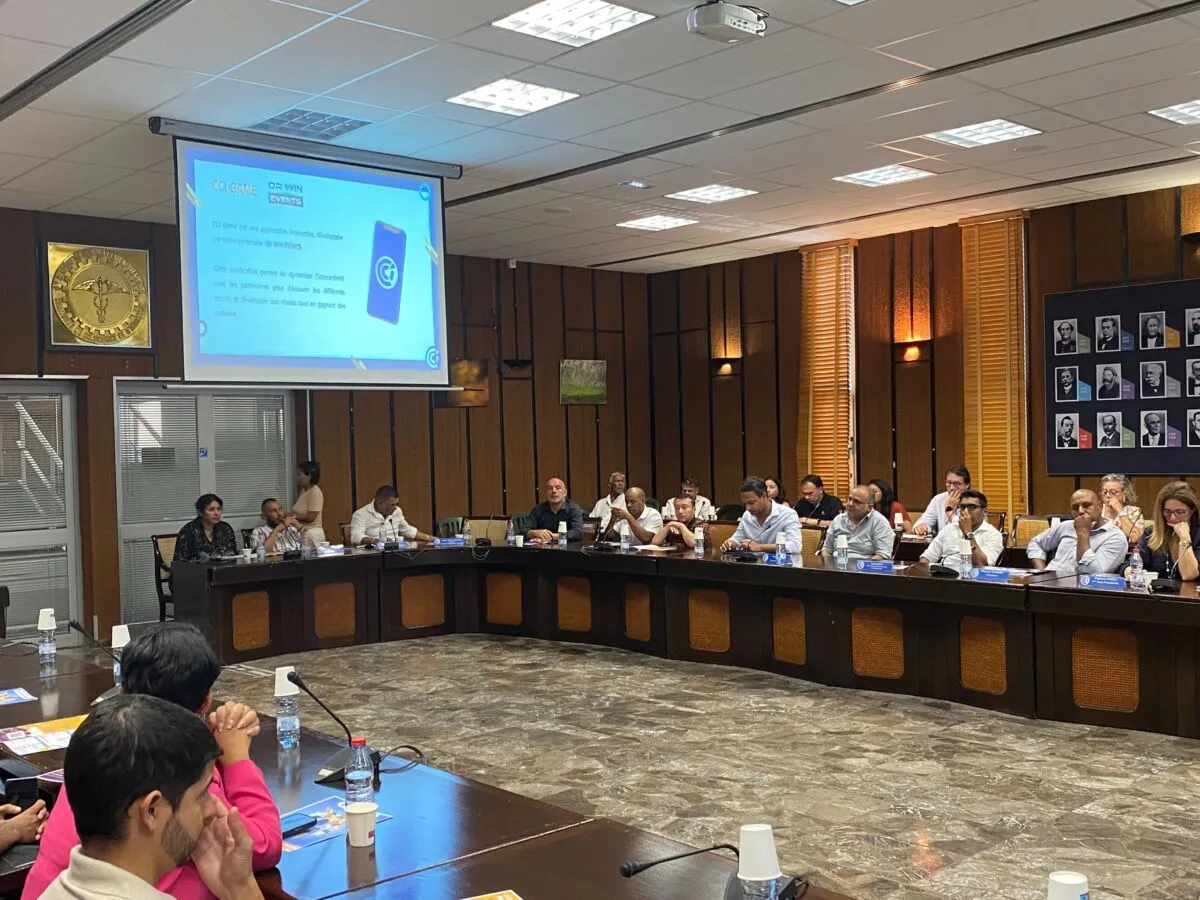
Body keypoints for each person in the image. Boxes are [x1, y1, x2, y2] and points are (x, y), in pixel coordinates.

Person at [24, 623, 281, 900]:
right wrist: (237, 760)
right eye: (203, 794)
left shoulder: (98, 753)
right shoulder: (173, 775)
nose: (213, 810)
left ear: (121, 695)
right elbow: (263, 845)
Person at [35, 694, 263, 900]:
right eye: (203, 794)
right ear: (151, 810)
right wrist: (243, 888)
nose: (213, 809)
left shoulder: (53, 892)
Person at [1026, 489, 1128, 575]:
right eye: (1075, 508)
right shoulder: (1066, 526)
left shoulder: (1115, 537)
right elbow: (1036, 543)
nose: (1080, 511)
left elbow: (1090, 572)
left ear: (1100, 506)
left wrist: (1082, 534)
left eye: (1086, 505)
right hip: (1047, 584)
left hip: (1079, 589)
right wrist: (1042, 572)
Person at [916, 490, 1004, 570]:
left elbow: (982, 566)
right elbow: (926, 557)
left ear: (984, 510)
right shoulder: (949, 529)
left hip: (974, 580)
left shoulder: (993, 535)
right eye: (962, 507)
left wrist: (968, 533)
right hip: (946, 577)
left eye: (972, 507)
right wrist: (926, 572)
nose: (966, 511)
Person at [1134, 481, 1200, 582]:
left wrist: (1184, 538)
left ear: (1192, 510)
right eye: (1167, 511)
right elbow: (1132, 563)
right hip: (1158, 591)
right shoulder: (1151, 532)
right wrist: (1129, 570)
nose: (1172, 517)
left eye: (1180, 512)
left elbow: (1188, 575)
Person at [721, 477, 802, 554]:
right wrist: (730, 543)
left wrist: (761, 547)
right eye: (745, 504)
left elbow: (795, 546)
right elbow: (737, 538)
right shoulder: (747, 515)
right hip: (753, 562)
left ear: (764, 496)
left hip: (780, 562)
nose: (748, 507)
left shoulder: (787, 514)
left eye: (751, 503)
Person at [819, 485, 895, 561]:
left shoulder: (879, 522)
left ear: (869, 507)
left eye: (857, 502)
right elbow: (826, 550)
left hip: (864, 566)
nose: (850, 504)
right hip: (837, 565)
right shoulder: (838, 520)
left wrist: (863, 566)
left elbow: (882, 555)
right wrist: (830, 565)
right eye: (849, 499)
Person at [350, 485, 433, 545]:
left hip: (396, 553)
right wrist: (375, 541)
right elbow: (356, 537)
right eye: (392, 505)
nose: (395, 508)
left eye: (396, 504)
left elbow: (407, 530)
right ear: (380, 503)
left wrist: (430, 538)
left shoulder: (397, 511)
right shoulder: (360, 514)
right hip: (373, 554)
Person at [173, 495, 238, 562]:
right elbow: (180, 561)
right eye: (211, 509)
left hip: (223, 567)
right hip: (196, 568)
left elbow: (232, 554)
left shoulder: (225, 528)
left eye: (219, 509)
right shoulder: (188, 531)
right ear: (200, 512)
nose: (216, 513)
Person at [914, 466, 971, 536]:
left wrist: (949, 509)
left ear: (967, 485)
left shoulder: (974, 502)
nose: (952, 488)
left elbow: (964, 531)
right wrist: (921, 526)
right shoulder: (938, 499)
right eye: (949, 483)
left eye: (957, 484)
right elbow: (925, 520)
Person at [526, 477, 584, 543]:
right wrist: (535, 533)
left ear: (565, 492)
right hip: (543, 548)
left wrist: (553, 536)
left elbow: (578, 532)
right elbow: (523, 531)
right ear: (546, 493)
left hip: (567, 548)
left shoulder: (574, 509)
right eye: (550, 488)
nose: (553, 491)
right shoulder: (538, 509)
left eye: (558, 488)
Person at [1099, 474, 1144, 545]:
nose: (1107, 495)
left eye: (1113, 492)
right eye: (1104, 492)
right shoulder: (1098, 510)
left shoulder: (1134, 511)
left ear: (1125, 493)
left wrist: (1120, 510)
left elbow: (1135, 538)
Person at [291, 461, 325, 546]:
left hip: (312, 534)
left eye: (299, 475)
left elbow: (310, 517)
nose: (297, 478)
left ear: (309, 476)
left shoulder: (315, 492)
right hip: (301, 531)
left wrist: (290, 516)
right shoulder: (303, 491)